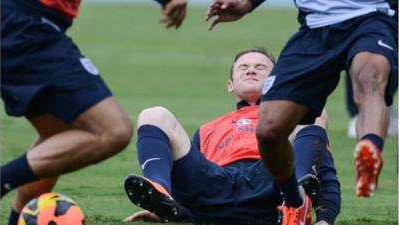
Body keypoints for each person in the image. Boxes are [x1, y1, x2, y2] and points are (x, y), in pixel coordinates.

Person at [206, 1, 396, 223]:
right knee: (269, 130)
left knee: (369, 78)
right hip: (314, 27)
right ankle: (296, 201)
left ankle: (369, 149)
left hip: (372, 17)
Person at [0, 0, 187, 224]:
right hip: (25, 23)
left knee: (60, 134)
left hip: (24, 22)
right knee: (112, 130)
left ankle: (16, 220)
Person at [123, 48, 341, 225]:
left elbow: (324, 171)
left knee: (314, 110)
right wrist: (174, 212)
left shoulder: (291, 117)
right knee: (154, 115)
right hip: (216, 189)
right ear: (230, 84)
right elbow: (190, 175)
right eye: (243, 67)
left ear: (277, 80)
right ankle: (161, 192)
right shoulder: (208, 129)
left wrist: (325, 219)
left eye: (261, 67)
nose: (251, 70)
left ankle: (298, 202)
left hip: (275, 184)